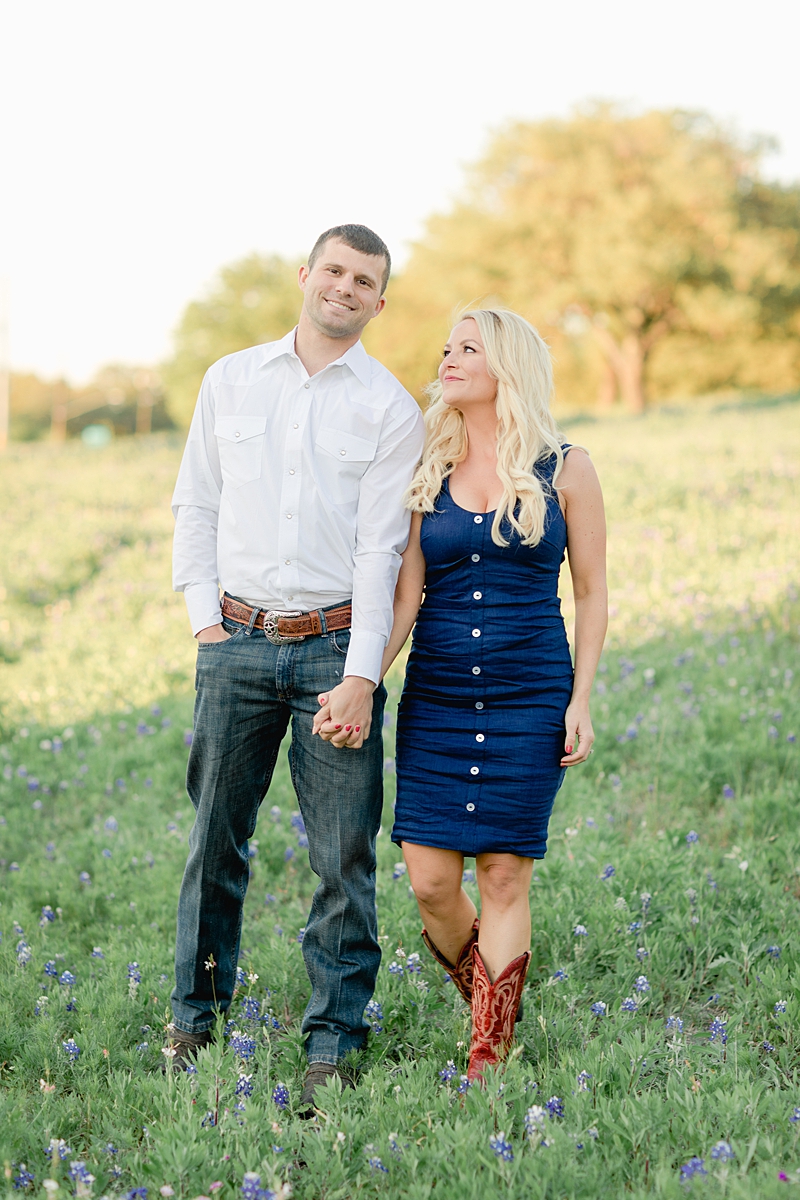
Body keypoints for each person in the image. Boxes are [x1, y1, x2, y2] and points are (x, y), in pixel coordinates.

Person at [168, 224, 425, 1109]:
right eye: (337, 271)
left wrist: (360, 676)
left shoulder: (391, 408)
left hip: (333, 647)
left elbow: (380, 552)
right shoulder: (230, 379)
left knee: (343, 854)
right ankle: (194, 1019)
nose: (347, 288)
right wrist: (206, 624)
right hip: (234, 642)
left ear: (379, 302)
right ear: (306, 275)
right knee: (214, 842)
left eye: (367, 281)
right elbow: (196, 501)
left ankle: (333, 1039)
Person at [379, 307, 607, 1082]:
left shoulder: (567, 467)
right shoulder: (426, 466)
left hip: (530, 694)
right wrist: (359, 679)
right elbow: (405, 598)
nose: (448, 357)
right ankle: (494, 1004)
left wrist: (581, 699)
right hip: (437, 699)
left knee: (505, 875)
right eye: (446, 346)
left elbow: (594, 594)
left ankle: (488, 1056)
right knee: (431, 882)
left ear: (506, 365)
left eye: (468, 348)